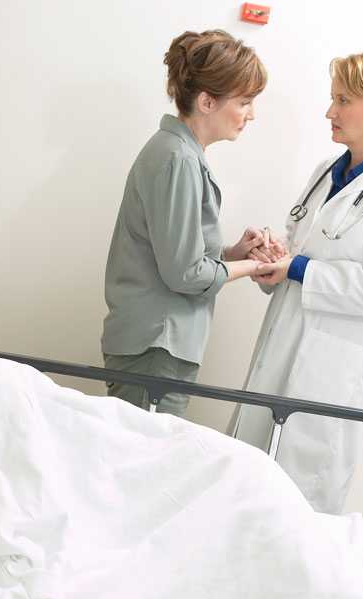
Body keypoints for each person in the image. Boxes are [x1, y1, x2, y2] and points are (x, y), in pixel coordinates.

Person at [229, 48, 363, 514]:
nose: (329, 111)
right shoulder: (327, 170)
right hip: (279, 348)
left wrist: (298, 269)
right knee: (242, 487)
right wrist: (275, 255)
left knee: (298, 505)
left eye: (342, 100)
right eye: (332, 99)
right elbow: (303, 246)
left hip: (330, 372)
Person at [101, 29, 269, 418]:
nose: (252, 114)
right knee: (140, 467)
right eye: (245, 102)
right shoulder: (177, 159)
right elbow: (185, 274)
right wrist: (254, 266)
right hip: (156, 347)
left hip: (159, 346)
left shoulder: (181, 154)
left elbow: (176, 256)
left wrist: (232, 253)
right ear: (207, 101)